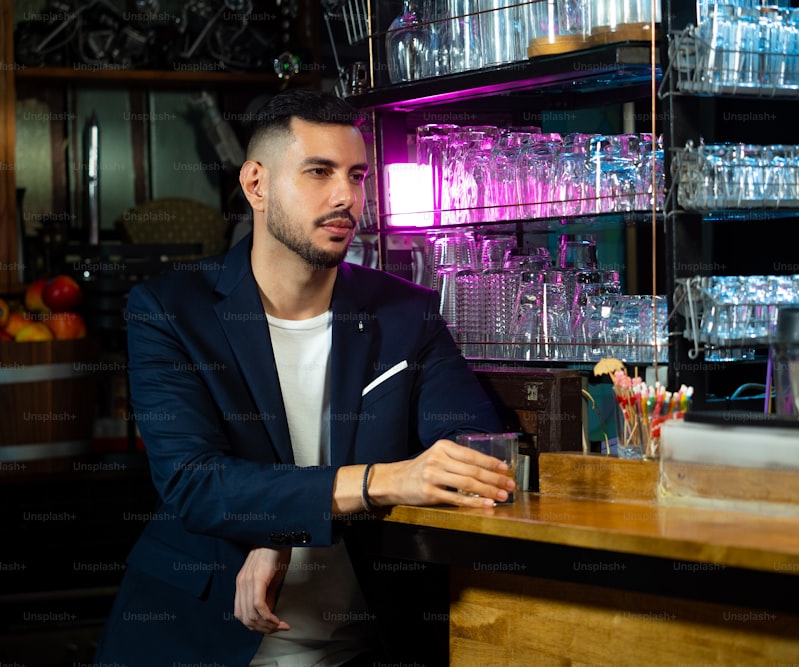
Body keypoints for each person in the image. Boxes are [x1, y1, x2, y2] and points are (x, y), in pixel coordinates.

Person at [94, 88, 511, 666]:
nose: (346, 196)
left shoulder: (405, 313)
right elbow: (196, 484)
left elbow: (477, 457)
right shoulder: (170, 310)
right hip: (199, 641)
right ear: (256, 185)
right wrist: (346, 496)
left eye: (358, 175)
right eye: (319, 172)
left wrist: (283, 523)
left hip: (365, 645)